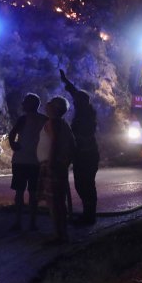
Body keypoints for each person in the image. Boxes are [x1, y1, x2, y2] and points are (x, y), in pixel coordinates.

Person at [60, 69, 100, 225]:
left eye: (77, 101)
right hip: (82, 154)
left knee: (86, 185)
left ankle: (89, 216)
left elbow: (83, 137)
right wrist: (66, 81)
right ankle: (88, 214)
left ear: (82, 102)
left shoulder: (86, 115)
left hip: (86, 155)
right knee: (81, 184)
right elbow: (75, 93)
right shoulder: (83, 111)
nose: (74, 103)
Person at [37, 96, 76, 244]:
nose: (46, 104)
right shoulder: (63, 124)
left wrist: (52, 162)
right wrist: (65, 162)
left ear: (55, 108)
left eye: (50, 103)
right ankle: (61, 233)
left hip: (51, 166)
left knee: (54, 202)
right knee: (59, 201)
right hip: (58, 166)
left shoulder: (53, 123)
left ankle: (59, 235)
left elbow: (54, 142)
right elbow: (73, 145)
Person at [8, 93, 48, 232]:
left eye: (25, 102)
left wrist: (13, 145)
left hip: (21, 160)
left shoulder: (23, 119)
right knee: (33, 194)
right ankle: (32, 223)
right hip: (36, 162)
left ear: (30, 104)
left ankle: (18, 222)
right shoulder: (45, 120)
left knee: (19, 193)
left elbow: (12, 134)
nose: (22, 104)